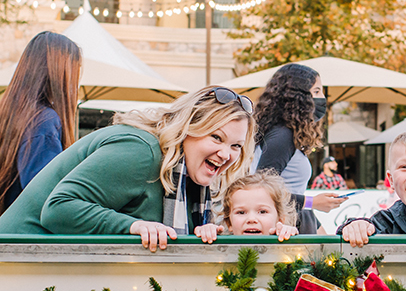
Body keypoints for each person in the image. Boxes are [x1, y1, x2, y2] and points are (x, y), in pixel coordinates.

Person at [0, 86, 255, 251]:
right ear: (187, 128)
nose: (226, 154)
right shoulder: (142, 150)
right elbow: (58, 209)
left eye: (235, 146)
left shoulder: (191, 181)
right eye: (216, 138)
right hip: (18, 268)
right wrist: (134, 226)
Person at [253, 64, 344, 233]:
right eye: (316, 92)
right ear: (297, 97)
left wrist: (317, 226)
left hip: (295, 220)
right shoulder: (282, 137)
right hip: (284, 228)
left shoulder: (283, 135)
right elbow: (260, 192)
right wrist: (312, 202)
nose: (322, 98)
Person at [0, 32, 82, 214]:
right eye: (74, 71)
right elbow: (47, 197)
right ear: (59, 73)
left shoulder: (10, 112)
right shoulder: (43, 121)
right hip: (26, 235)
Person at [219, 170, 298, 241]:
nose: (251, 219)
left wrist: (289, 236)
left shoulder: (283, 248)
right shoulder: (222, 251)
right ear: (229, 223)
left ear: (280, 219)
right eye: (241, 212)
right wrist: (208, 233)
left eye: (262, 212)